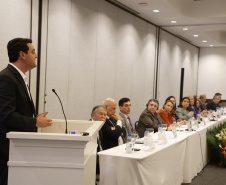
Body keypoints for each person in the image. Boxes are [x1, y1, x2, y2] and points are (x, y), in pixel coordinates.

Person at [0, 38, 52, 185]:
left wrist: (33, 117)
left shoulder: (18, 77)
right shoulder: (6, 78)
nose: (36, 55)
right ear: (22, 54)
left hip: (16, 148)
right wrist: (35, 122)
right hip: (7, 150)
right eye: (33, 52)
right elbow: (6, 116)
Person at [91, 105, 107, 181]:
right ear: (93, 115)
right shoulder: (88, 128)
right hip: (92, 161)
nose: (103, 117)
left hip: (101, 158)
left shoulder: (99, 127)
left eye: (105, 115)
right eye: (101, 114)